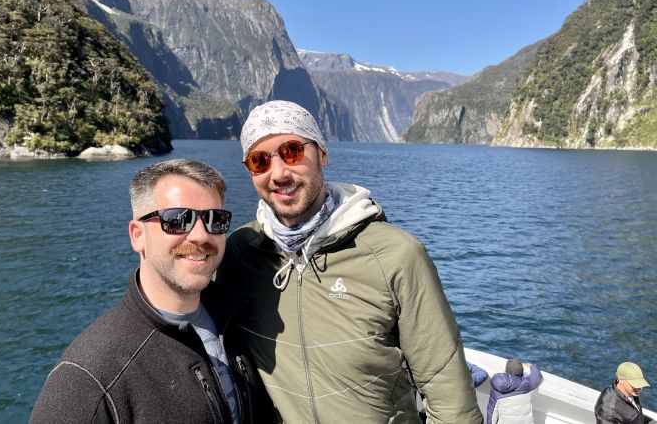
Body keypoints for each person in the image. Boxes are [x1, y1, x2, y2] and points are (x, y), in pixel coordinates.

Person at [216, 100, 482, 423]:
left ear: (322, 154)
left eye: (292, 151)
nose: (279, 173)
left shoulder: (396, 255)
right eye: (259, 161)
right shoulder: (240, 253)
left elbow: (449, 395)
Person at [31, 159, 273, 423]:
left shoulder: (237, 319)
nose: (201, 235)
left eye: (215, 219)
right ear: (138, 235)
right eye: (178, 220)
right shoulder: (89, 379)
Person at [486, 358, 543, 424]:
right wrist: (532, 366)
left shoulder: (498, 388)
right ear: (521, 372)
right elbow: (537, 376)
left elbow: (492, 414)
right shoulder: (527, 384)